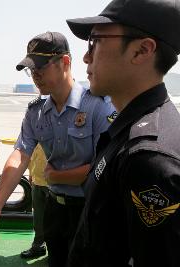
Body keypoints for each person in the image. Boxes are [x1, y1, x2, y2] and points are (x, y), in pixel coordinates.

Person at [0, 31, 115, 267]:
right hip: (54, 210)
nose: (35, 76)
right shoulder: (35, 112)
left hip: (90, 210)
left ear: (65, 62)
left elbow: (105, 168)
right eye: (31, 70)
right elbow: (20, 156)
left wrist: (57, 176)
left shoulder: (97, 105)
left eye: (40, 68)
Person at [65, 0, 180, 266]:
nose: (86, 56)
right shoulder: (132, 130)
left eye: (95, 41)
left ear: (142, 50)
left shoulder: (150, 158)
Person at [20, 142, 48, 259]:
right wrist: (31, 173)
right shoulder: (37, 130)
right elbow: (32, 153)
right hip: (37, 182)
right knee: (38, 219)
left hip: (54, 183)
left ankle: (56, 251)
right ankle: (38, 247)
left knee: (55, 220)